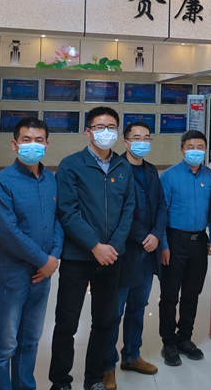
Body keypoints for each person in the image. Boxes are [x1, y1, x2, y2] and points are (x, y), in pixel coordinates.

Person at [49, 107, 136, 390]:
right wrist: (95, 245)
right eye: (100, 127)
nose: (106, 132)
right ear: (88, 131)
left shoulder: (123, 167)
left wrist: (113, 246)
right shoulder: (71, 165)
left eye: (112, 127)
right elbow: (68, 212)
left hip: (113, 258)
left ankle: (94, 379)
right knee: (67, 322)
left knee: (105, 321)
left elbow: (128, 210)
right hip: (78, 257)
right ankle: (60, 382)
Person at [0, 116, 63, 390]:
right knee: (4, 347)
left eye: (39, 140)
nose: (33, 145)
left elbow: (57, 221)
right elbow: (8, 232)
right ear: (15, 144)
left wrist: (54, 257)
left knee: (30, 342)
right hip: (10, 278)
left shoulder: (51, 180)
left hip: (42, 277)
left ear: (47, 145)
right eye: (26, 140)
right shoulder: (1, 183)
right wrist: (44, 260)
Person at [104, 121, 168, 388]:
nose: (142, 142)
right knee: (114, 312)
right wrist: (145, 235)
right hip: (124, 253)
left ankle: (131, 355)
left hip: (148, 255)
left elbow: (162, 205)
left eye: (147, 138)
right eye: (137, 138)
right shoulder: (116, 170)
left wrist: (157, 234)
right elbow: (117, 212)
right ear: (126, 142)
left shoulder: (151, 170)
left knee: (138, 307)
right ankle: (107, 366)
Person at [159, 130, 211, 366]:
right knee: (169, 295)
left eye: (200, 147)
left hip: (199, 242)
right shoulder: (169, 176)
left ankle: (185, 339)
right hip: (174, 241)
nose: (196, 151)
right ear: (182, 150)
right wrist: (164, 245)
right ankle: (168, 343)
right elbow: (161, 214)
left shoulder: (209, 176)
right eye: (191, 147)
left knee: (192, 294)